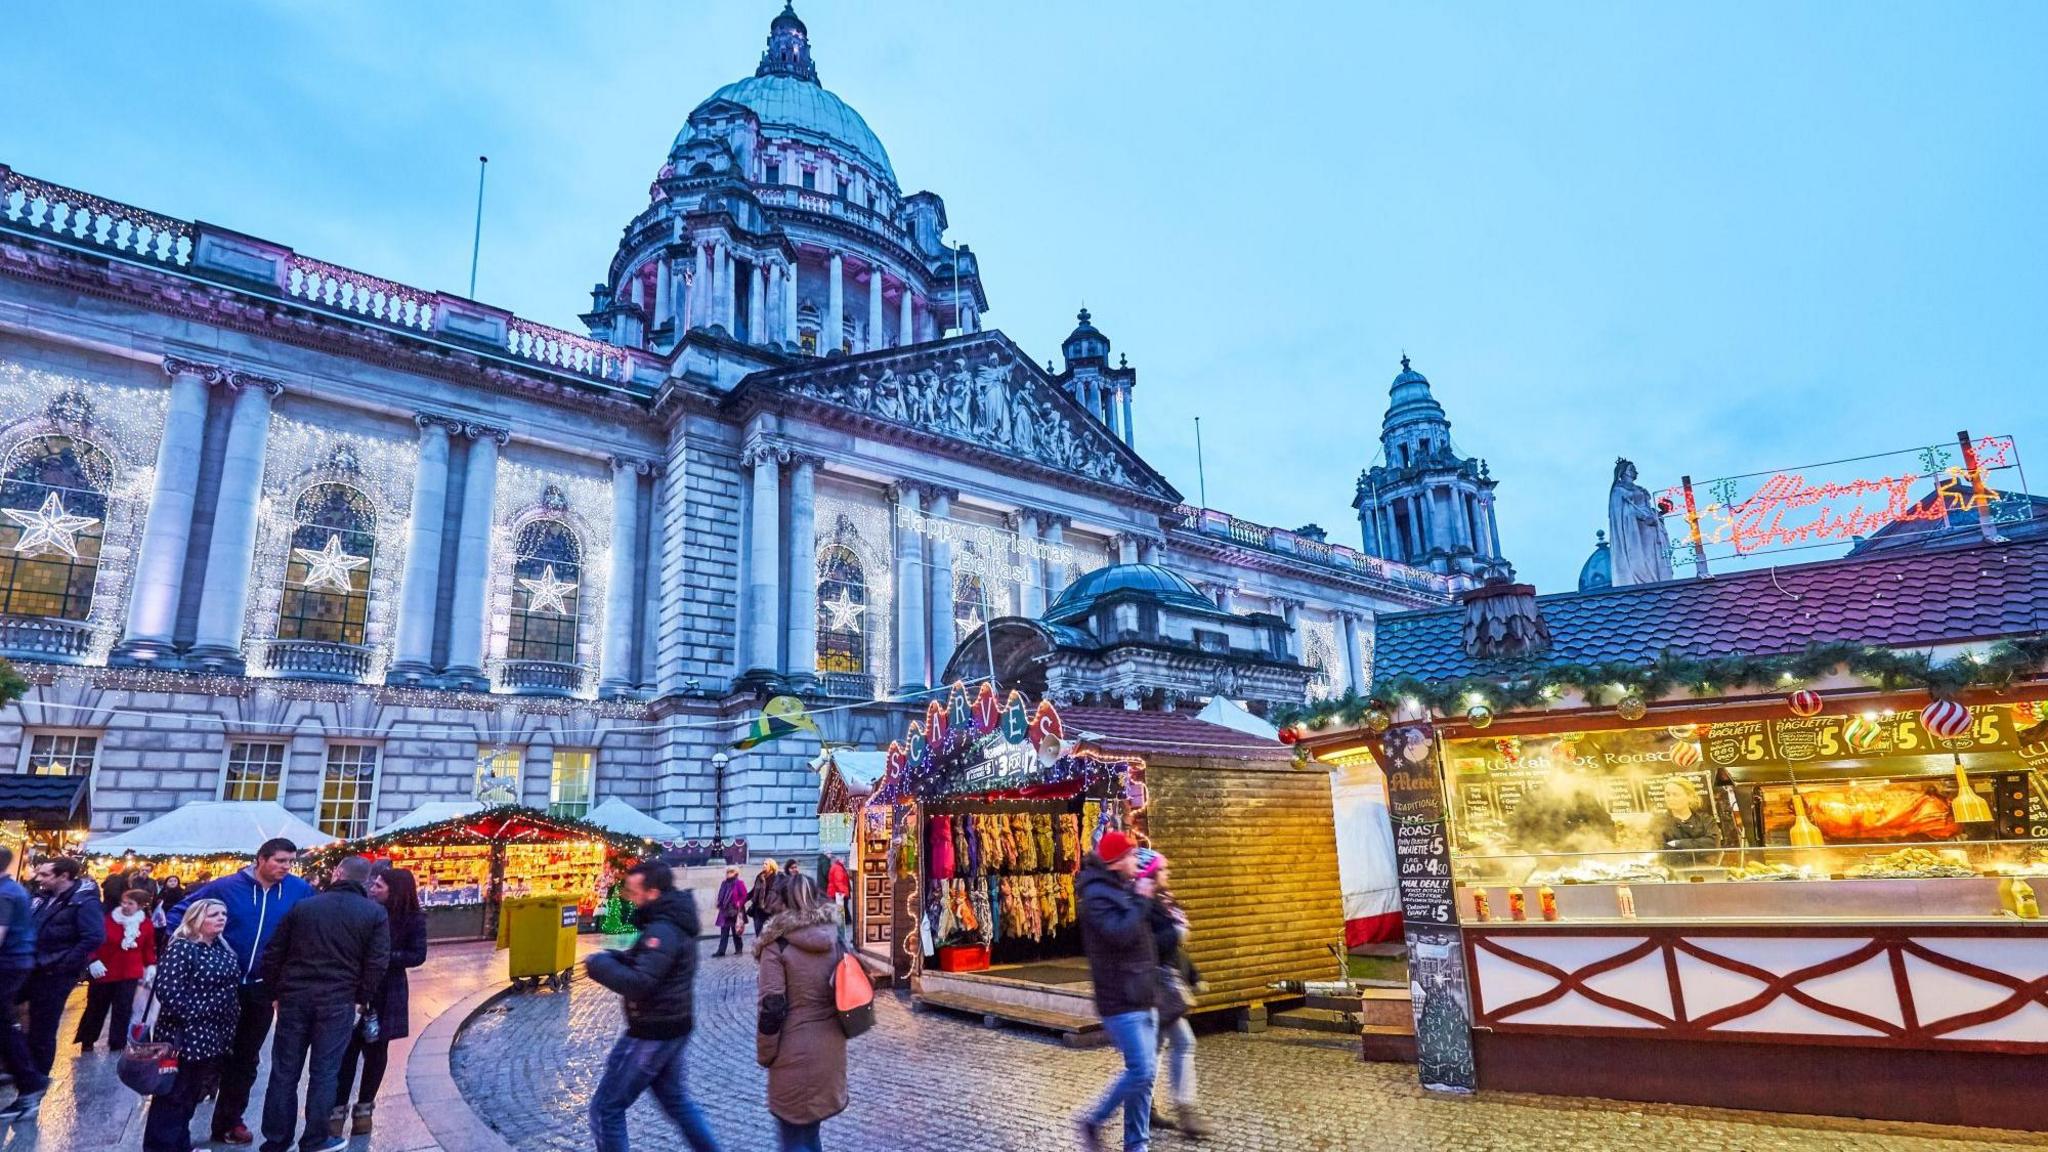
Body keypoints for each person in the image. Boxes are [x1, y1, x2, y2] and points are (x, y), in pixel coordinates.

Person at [170, 837, 313, 1146]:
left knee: (246, 1058)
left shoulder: (298, 890)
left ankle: (229, 1120)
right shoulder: (224, 887)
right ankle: (177, 1125)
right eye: (279, 861)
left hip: (261, 987)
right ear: (260, 859)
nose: (285, 867)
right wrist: (188, 950)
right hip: (220, 987)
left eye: (290, 861)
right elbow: (180, 913)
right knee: (203, 1055)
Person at [584, 860, 721, 1152]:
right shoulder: (668, 922)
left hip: (652, 1031)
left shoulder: (664, 930)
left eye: (634, 893)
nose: (630, 899)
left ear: (653, 893)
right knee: (677, 1102)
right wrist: (616, 958)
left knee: (605, 1109)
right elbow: (648, 963)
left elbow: (640, 981)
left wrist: (598, 965)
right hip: (672, 1025)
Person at [256, 855, 389, 1152]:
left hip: (295, 997)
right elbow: (377, 962)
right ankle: (315, 1138)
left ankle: (276, 1140)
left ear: (338, 873)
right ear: (364, 880)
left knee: (284, 1072)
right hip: (338, 1000)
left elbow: (274, 951)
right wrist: (360, 999)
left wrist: (275, 993)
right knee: (325, 1072)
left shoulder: (305, 906)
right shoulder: (374, 913)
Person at [1073, 830, 1159, 1152]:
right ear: (1115, 862)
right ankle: (1094, 1120)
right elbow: (1120, 934)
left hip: (1143, 992)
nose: (1136, 860)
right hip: (1120, 998)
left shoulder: (1123, 887)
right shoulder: (1095, 897)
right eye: (1131, 855)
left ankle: (1137, 1147)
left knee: (1145, 1078)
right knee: (1141, 1069)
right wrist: (1141, 899)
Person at [330, 867, 427, 1138]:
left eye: (380, 886)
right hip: (357, 988)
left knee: (376, 1051)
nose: (373, 889)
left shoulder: (413, 918)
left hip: (387, 991)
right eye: (373, 884)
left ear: (395, 890)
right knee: (347, 1050)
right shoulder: (365, 910)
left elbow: (417, 955)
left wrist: (382, 958)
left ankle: (364, 1110)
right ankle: (337, 1109)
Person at [754, 872, 847, 1152]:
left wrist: (765, 1053)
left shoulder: (777, 945)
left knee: (793, 1137)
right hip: (831, 1046)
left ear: (781, 903)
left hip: (792, 1051)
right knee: (809, 1134)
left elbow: (772, 1008)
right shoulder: (833, 936)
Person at [143, 899, 242, 1152]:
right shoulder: (183, 948)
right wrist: (199, 1012)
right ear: (197, 918)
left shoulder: (221, 946)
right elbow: (168, 991)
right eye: (214, 914)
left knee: (189, 1096)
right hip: (183, 1036)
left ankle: (180, 1144)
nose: (221, 918)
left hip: (212, 1037)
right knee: (172, 1096)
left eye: (224, 913)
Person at [10, 855, 105, 1116]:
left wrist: (63, 964)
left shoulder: (83, 902)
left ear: (64, 876)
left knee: (43, 1028)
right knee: (9, 1015)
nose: (38, 878)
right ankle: (21, 1067)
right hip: (31, 966)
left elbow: (94, 937)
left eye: (45, 875)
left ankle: (34, 1087)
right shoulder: (42, 898)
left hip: (54, 973)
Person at [1140, 853, 1209, 1138]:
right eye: (1163, 870)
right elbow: (1147, 946)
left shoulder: (1164, 902)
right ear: (1151, 874)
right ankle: (1182, 1110)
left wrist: (1194, 975)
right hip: (1152, 988)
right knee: (1176, 1045)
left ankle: (1150, 1109)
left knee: (1158, 1051)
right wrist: (1175, 933)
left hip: (1166, 984)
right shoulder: (1143, 906)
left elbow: (1175, 949)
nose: (1167, 873)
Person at [76, 887, 159, 1053]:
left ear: (140, 906)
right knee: (96, 1007)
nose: (125, 906)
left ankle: (117, 1043)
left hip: (129, 972)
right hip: (105, 970)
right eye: (124, 902)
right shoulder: (107, 920)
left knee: (123, 1008)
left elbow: (148, 948)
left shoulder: (146, 924)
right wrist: (93, 960)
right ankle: (88, 1040)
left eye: (130, 903)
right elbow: (94, 941)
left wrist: (151, 965)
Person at [0, 847, 46, 1117]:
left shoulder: (4, 893)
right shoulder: (12, 889)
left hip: (8, 964)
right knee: (4, 1022)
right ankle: (27, 1078)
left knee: (4, 1024)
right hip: (17, 962)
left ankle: (29, 1082)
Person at [713, 868, 749, 957]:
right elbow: (721, 894)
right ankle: (721, 951)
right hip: (725, 911)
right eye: (728, 872)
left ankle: (739, 949)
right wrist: (719, 902)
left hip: (735, 911)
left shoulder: (739, 883)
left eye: (731, 872)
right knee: (724, 932)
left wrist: (739, 903)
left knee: (736, 931)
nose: (728, 874)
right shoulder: (724, 883)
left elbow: (744, 896)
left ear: (736, 873)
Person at [747, 859, 780, 940]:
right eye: (763, 863)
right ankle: (761, 950)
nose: (763, 865)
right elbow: (753, 891)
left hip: (770, 910)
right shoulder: (759, 877)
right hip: (758, 909)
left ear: (771, 866)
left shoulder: (776, 878)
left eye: (766, 864)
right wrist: (742, 900)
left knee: (769, 933)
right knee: (758, 932)